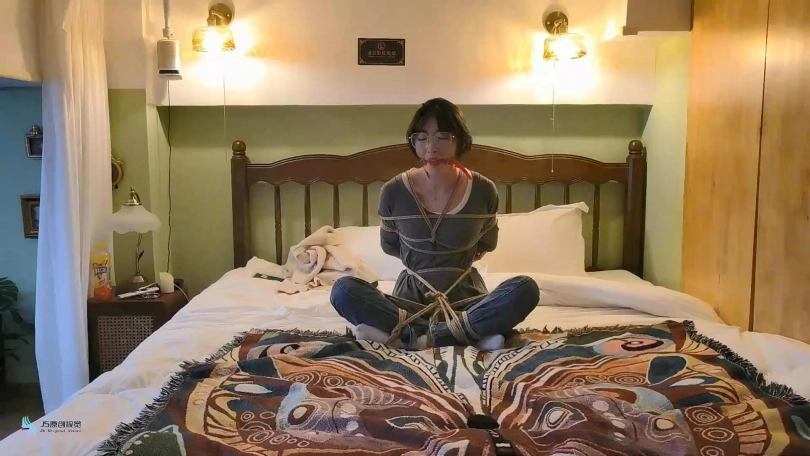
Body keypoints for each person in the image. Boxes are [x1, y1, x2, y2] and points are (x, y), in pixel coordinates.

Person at [330, 98, 539, 350]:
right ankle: (470, 333)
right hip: (408, 303)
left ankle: (411, 337)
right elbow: (390, 246)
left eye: (443, 137)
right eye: (421, 137)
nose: (431, 148)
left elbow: (486, 244)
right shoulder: (393, 191)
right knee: (343, 290)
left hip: (469, 301)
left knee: (525, 288)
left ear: (460, 140)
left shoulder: (484, 190)